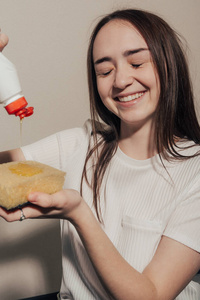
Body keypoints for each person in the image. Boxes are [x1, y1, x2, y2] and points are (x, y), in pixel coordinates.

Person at [0, 8, 200, 300]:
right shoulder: (83, 143)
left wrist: (79, 214)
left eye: (137, 62)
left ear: (170, 65)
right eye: (105, 71)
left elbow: (152, 295)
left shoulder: (194, 171)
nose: (120, 81)